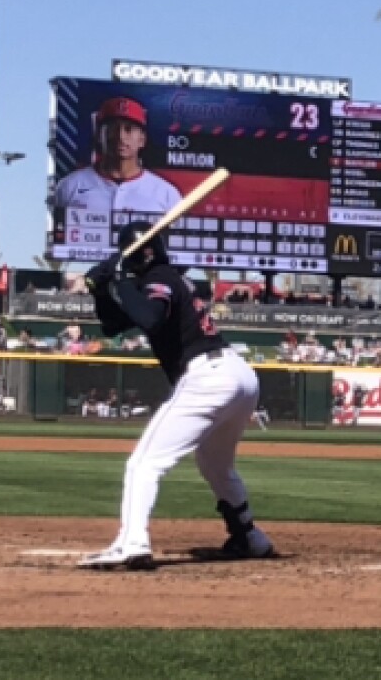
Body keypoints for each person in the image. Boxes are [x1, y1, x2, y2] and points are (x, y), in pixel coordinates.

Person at [78, 221, 274, 570]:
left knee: (143, 464)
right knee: (215, 464)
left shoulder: (161, 279)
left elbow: (151, 319)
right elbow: (114, 325)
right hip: (238, 376)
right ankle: (249, 537)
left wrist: (119, 278)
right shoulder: (167, 277)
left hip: (208, 377)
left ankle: (132, 543)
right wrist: (101, 288)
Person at [54, 96, 183, 216]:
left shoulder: (167, 194)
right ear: (99, 136)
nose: (120, 137)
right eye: (112, 129)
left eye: (129, 129)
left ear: (142, 139)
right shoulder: (69, 186)